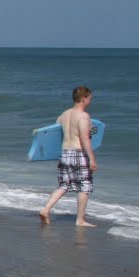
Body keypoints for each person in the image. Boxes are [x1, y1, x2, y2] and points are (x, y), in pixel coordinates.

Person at [40, 86, 97, 228]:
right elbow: (85, 138)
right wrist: (92, 159)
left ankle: (45, 209)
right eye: (90, 99)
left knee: (64, 185)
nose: (90, 101)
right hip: (79, 153)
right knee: (84, 187)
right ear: (83, 99)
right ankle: (80, 220)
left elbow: (56, 133)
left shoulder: (64, 115)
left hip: (65, 153)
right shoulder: (83, 116)